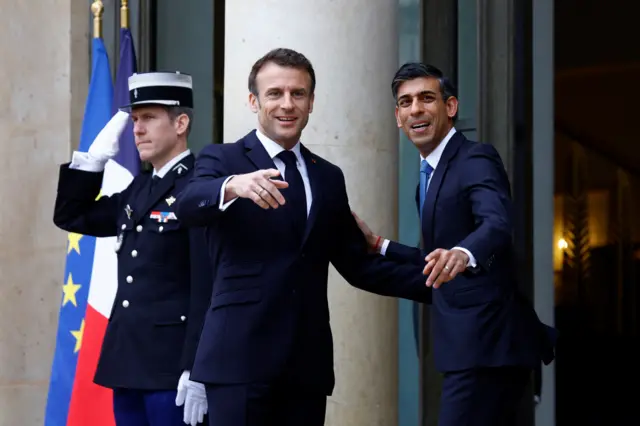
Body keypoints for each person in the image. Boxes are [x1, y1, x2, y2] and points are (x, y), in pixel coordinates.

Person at [174, 48, 432, 426]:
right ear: (253, 101)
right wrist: (233, 186)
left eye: (298, 94)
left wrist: (441, 284)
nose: (287, 104)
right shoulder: (223, 160)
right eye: (275, 93)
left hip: (305, 370)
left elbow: (358, 266)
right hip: (238, 363)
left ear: (311, 102)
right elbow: (187, 204)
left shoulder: (327, 176)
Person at [352, 63, 557, 426]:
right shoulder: (427, 176)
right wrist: (380, 245)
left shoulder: (474, 157)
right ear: (398, 118)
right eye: (406, 102)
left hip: (488, 345)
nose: (416, 108)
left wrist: (463, 253)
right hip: (471, 348)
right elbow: (438, 260)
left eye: (426, 98)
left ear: (450, 107)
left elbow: (496, 223)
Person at [53, 72, 212, 426]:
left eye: (149, 118)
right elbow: (71, 216)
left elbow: (205, 286)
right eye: (135, 119)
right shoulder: (139, 189)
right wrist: (91, 163)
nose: (137, 129)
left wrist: (196, 364)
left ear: (181, 122)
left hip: (172, 369)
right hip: (127, 363)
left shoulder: (200, 185)